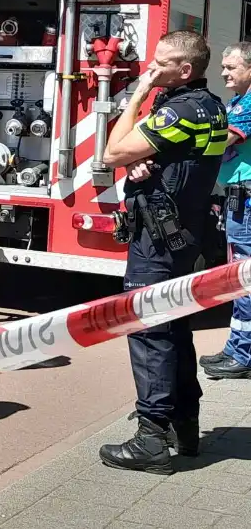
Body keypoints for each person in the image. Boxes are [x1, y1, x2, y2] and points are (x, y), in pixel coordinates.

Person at [98, 30, 228, 474]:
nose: (151, 68)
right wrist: (143, 159)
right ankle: (185, 427)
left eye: (160, 63)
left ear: (184, 70)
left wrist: (137, 93)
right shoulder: (210, 106)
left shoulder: (180, 109)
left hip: (158, 239)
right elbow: (178, 158)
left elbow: (112, 152)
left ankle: (151, 438)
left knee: (148, 330)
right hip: (188, 236)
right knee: (175, 330)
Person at [201, 42, 251, 379]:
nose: (223, 73)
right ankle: (237, 348)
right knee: (239, 277)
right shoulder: (237, 101)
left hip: (246, 204)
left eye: (231, 67)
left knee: (244, 279)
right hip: (237, 201)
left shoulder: (248, 104)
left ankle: (243, 356)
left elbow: (221, 142)